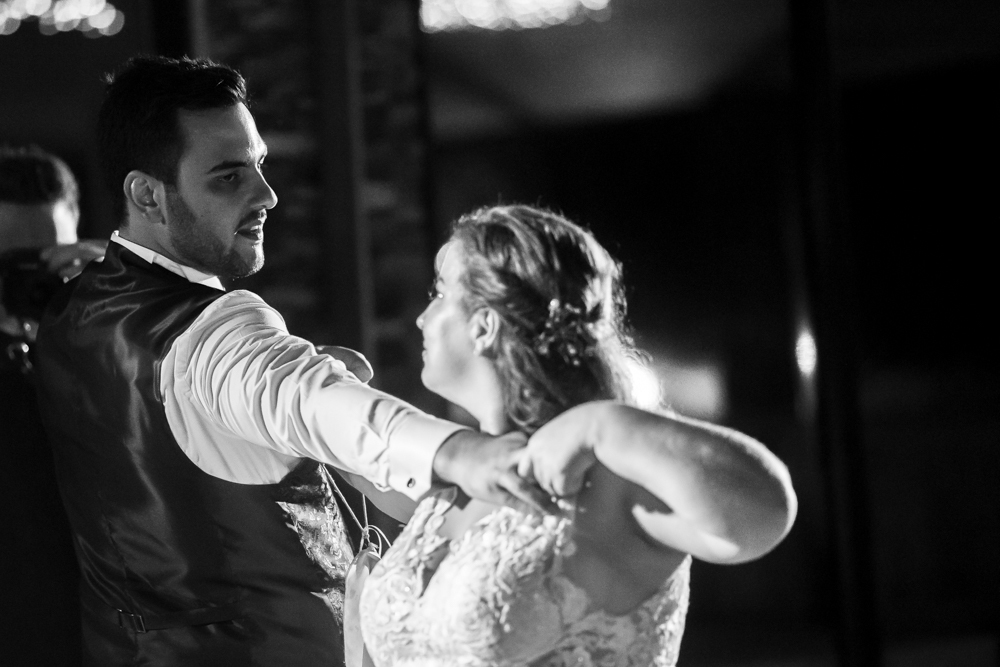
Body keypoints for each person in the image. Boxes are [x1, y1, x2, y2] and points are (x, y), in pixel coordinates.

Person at [31, 57, 563, 667]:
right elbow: (309, 399)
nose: (267, 194)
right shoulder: (214, 328)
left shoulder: (69, 315)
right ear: (147, 194)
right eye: (229, 177)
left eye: (259, 165)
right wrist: (460, 452)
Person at [359, 204, 798, 666]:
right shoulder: (455, 481)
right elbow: (354, 448)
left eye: (439, 292)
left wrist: (603, 425)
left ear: (484, 325)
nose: (421, 318)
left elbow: (764, 513)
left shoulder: (603, 476)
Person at [0, 145, 106, 665]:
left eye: (46, 261)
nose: (29, 282)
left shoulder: (107, 353)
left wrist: (130, 306)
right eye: (9, 265)